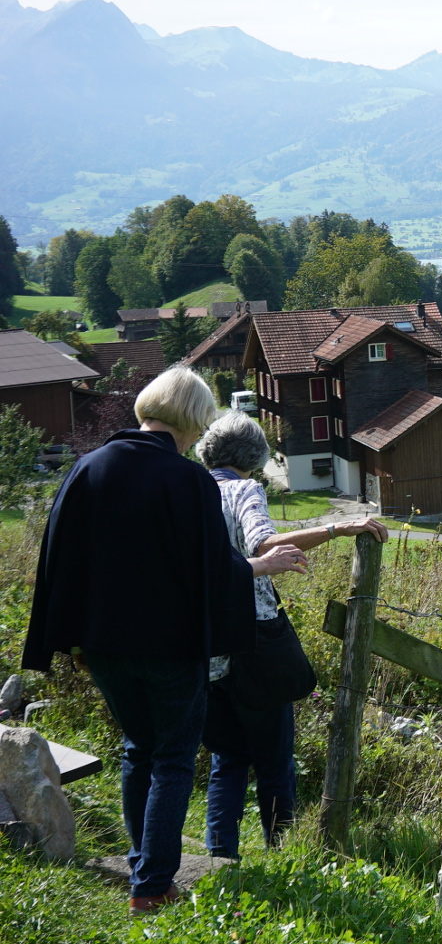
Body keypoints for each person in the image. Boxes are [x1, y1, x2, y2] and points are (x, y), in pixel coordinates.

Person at [21, 367, 307, 913]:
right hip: (172, 647)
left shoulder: (88, 468)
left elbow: (62, 560)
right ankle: (151, 886)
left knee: (138, 751)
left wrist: (74, 641)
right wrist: (252, 577)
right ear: (197, 420)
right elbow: (214, 570)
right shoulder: (187, 480)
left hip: (103, 645)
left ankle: (142, 864)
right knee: (174, 759)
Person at [192, 410, 389, 860]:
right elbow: (264, 544)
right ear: (255, 456)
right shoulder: (244, 490)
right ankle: (283, 854)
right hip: (253, 643)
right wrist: (339, 527)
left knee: (227, 760)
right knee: (275, 759)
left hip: (202, 647)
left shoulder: (188, 490)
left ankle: (220, 857)